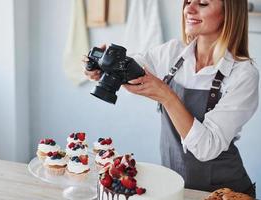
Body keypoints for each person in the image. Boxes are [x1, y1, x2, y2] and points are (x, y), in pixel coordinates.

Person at [83, 0, 259, 197]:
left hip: (223, 193)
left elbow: (206, 148)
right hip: (174, 188)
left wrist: (167, 96)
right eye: (188, 2)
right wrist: (106, 65)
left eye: (202, 3)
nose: (189, 9)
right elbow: (136, 66)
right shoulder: (172, 53)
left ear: (229, 13)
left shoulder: (243, 74)